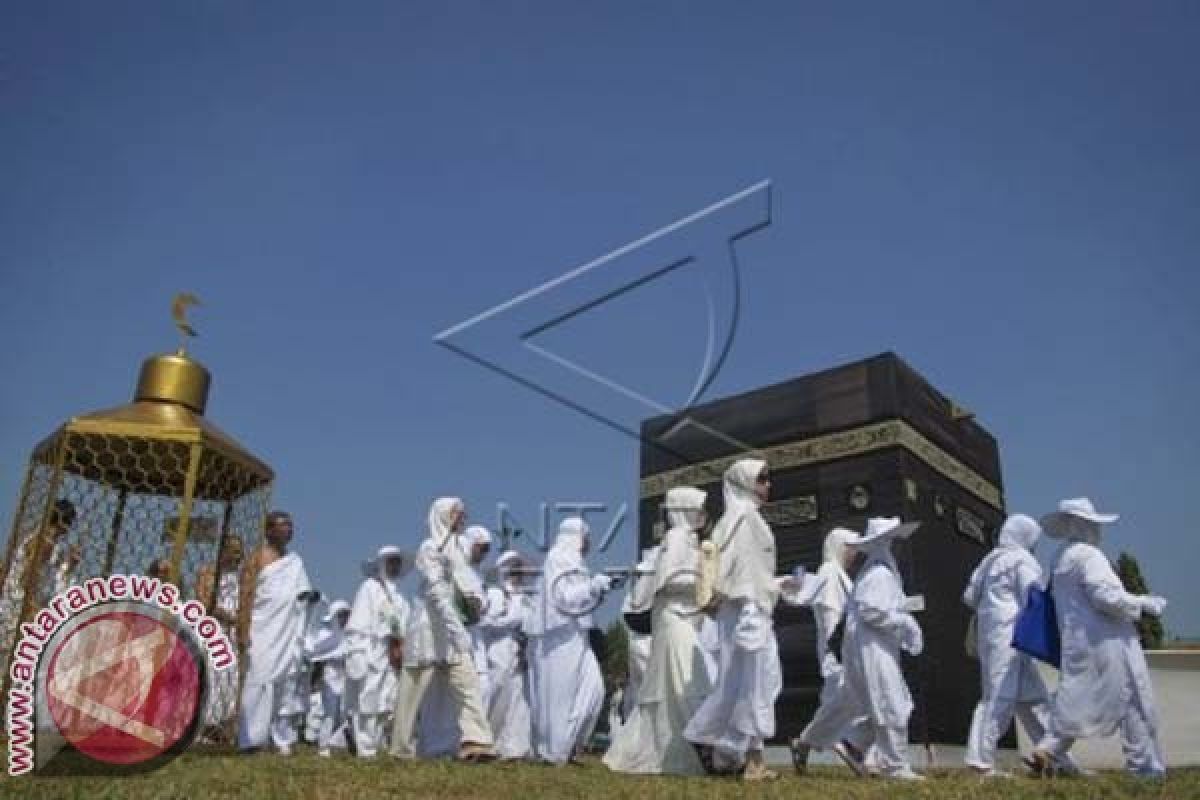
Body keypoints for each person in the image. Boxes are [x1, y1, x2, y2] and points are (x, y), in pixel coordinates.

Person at [1030, 498, 1168, 779]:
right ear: (1084, 525)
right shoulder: (1090, 556)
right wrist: (1143, 603)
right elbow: (1105, 597)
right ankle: (1145, 768)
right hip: (1110, 642)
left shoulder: (1060, 557)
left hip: (1077, 643)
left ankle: (1049, 748)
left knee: (1077, 698)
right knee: (1135, 700)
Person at [683, 459, 786, 782]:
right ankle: (750, 760)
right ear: (745, 482)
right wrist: (753, 609)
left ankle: (716, 743)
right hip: (747, 612)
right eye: (761, 479)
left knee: (746, 684)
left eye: (768, 478)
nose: (768, 484)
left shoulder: (741, 517)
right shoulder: (743, 519)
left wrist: (777, 587)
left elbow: (749, 569)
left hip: (747, 609)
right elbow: (742, 574)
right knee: (751, 685)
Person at [605, 486, 715, 776]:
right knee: (685, 679)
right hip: (673, 617)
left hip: (686, 616)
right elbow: (665, 582)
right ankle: (695, 747)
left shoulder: (692, 541)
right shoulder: (676, 538)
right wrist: (704, 585)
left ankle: (694, 746)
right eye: (698, 507)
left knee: (681, 681)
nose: (703, 514)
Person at [389, 498, 496, 762]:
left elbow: (466, 583)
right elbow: (437, 592)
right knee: (413, 689)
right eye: (457, 513)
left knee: (467, 681)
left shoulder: (459, 550)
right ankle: (400, 748)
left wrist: (477, 602)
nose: (463, 518)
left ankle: (476, 742)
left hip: (452, 631)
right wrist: (455, 626)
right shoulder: (429, 548)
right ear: (443, 516)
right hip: (428, 627)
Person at [963, 514, 1067, 777]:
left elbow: (968, 597)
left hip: (994, 636)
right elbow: (1033, 596)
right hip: (1012, 637)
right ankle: (981, 761)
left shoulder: (988, 560)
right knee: (998, 697)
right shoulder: (1022, 559)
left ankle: (1056, 757)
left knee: (1035, 700)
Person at [841, 516, 924, 781]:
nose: (899, 545)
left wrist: (905, 613)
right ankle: (895, 766)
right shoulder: (879, 573)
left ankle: (853, 744)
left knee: (884, 701)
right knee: (892, 702)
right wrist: (903, 621)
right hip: (872, 646)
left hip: (873, 644)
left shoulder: (877, 572)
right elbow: (871, 611)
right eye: (894, 539)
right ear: (884, 542)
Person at [529, 516, 615, 765]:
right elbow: (564, 598)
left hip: (578, 634)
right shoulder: (558, 558)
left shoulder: (575, 562)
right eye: (586, 537)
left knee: (595, 689)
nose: (589, 543)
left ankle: (568, 745)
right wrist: (594, 586)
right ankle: (554, 752)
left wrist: (598, 588)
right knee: (560, 697)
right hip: (560, 636)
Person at [789, 527, 873, 775]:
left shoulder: (840, 576)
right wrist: (837, 650)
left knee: (839, 704)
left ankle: (805, 744)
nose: (853, 556)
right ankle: (855, 751)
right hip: (837, 650)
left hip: (844, 648)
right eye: (849, 549)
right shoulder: (829, 573)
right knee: (847, 701)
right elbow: (829, 615)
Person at [237, 510, 318, 754]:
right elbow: (246, 596)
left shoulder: (295, 562)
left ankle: (276, 737)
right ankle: (250, 740)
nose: (288, 530)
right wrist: (242, 629)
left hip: (287, 633)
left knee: (283, 684)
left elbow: (302, 592)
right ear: (269, 530)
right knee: (258, 681)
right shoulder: (257, 559)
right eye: (283, 526)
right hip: (262, 630)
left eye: (290, 526)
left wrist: (310, 598)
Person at [345, 545, 411, 758]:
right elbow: (359, 623)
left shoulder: (400, 596)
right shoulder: (370, 587)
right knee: (369, 698)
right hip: (372, 650)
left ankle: (378, 742)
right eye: (390, 561)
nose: (394, 566)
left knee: (387, 699)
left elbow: (404, 625)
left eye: (397, 562)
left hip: (393, 655)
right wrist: (358, 652)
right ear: (381, 564)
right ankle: (365, 748)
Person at [479, 550, 534, 760]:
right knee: (496, 694)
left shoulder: (525, 596)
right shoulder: (495, 594)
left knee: (518, 698)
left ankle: (513, 747)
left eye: (519, 568)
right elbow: (486, 622)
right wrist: (513, 620)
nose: (517, 572)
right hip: (498, 648)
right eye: (513, 567)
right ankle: (485, 740)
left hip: (519, 649)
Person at [196, 537, 244, 741]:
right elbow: (204, 601)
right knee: (211, 677)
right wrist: (230, 618)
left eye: (239, 552)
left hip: (233, 634)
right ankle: (204, 726)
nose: (237, 557)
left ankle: (223, 727)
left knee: (230, 680)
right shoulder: (208, 573)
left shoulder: (242, 578)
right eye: (233, 552)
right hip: (214, 632)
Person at [306, 599, 352, 756]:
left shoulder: (351, 634)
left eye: (346, 614)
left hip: (347, 677)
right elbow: (315, 653)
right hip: (330, 677)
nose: (344, 618)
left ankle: (341, 743)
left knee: (346, 713)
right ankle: (324, 746)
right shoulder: (325, 635)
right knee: (330, 714)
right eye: (340, 615)